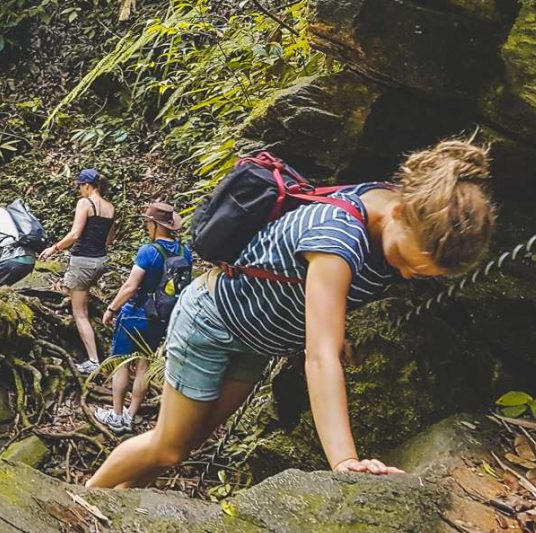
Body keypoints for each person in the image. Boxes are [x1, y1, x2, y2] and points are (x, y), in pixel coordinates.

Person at [86, 138, 497, 489]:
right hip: (210, 325)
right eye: (407, 262)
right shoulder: (338, 237)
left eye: (422, 273)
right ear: (400, 214)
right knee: (169, 445)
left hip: (255, 343)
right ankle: (85, 500)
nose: (407, 274)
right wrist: (344, 462)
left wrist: (337, 329)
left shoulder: (395, 201)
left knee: (182, 445)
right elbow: (319, 357)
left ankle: (120, 505)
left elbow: (319, 296)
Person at [96, 202, 193, 434]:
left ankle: (117, 415)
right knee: (143, 366)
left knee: (121, 363)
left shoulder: (149, 251)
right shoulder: (184, 251)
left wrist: (111, 309)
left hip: (136, 314)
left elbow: (131, 286)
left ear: (155, 225)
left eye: (148, 222)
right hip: (161, 317)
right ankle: (131, 416)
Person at [39, 168, 115, 374]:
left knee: (80, 314)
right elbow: (109, 239)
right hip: (101, 261)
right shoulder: (110, 207)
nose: (80, 190)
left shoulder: (85, 203)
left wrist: (53, 249)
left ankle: (93, 361)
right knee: (77, 294)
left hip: (83, 261)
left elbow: (74, 234)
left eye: (80, 186)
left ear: (88, 186)